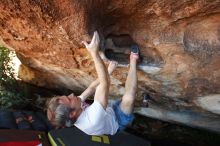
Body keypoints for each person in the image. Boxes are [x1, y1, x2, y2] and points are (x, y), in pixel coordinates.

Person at [46, 31, 139, 135]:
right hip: (118, 121)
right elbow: (105, 83)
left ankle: (140, 103)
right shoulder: (92, 121)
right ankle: (133, 61)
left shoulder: (75, 106)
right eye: (69, 99)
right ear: (72, 114)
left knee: (121, 101)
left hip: (108, 110)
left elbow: (91, 88)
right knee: (129, 98)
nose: (72, 95)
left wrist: (109, 71)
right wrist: (94, 53)